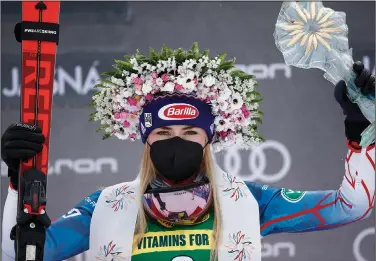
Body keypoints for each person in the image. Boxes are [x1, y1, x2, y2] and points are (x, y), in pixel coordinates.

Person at [2, 44, 375, 261]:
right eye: (163, 132)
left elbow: (351, 205)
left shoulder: (246, 201)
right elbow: (21, 255)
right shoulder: (106, 205)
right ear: (147, 140)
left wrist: (361, 133)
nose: (176, 143)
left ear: (208, 139)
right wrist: (20, 185)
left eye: (190, 132)